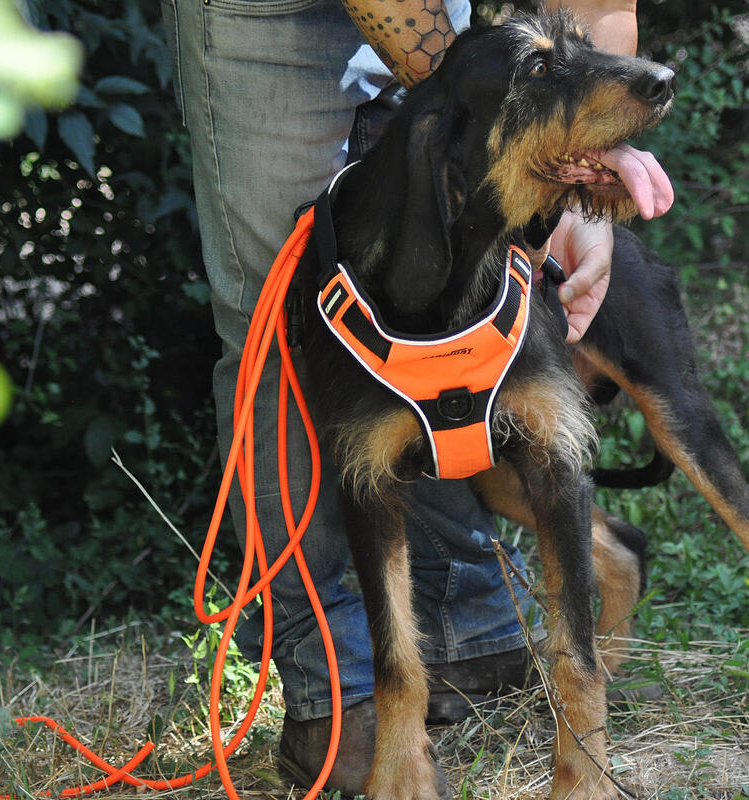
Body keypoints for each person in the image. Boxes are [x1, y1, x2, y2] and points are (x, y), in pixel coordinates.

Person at [160, 0, 673, 793]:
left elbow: (597, 6)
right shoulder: (461, 102)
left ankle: (471, 629)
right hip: (267, 17)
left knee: (456, 312)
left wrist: (575, 180)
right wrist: (493, 113)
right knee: (285, 332)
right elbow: (459, 94)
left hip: (449, 35)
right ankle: (344, 686)